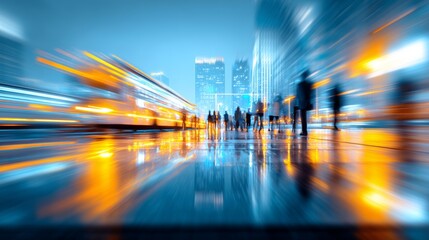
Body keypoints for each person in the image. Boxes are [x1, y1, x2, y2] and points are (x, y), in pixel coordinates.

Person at [296, 70, 314, 136]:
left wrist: (301, 101)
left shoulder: (300, 84)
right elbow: (311, 93)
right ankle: (304, 131)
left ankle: (304, 131)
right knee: (305, 118)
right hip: (307, 102)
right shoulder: (309, 84)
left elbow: (299, 94)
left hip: (302, 103)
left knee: (303, 118)